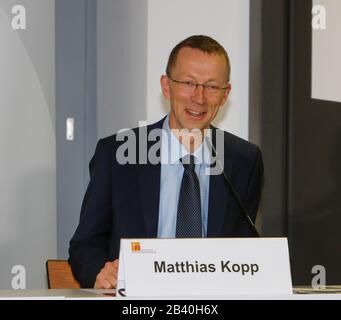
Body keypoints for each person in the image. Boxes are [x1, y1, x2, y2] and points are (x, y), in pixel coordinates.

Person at [69, 35, 264, 289]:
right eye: (188, 83)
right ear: (166, 86)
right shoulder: (117, 154)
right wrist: (99, 271)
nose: (199, 97)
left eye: (212, 86)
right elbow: (85, 245)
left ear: (225, 95)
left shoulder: (244, 160)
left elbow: (244, 251)